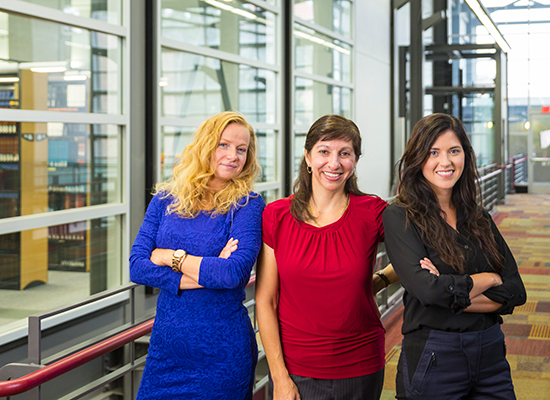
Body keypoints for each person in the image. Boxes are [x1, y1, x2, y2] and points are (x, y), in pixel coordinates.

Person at [383, 113, 526, 400]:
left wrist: (450, 292)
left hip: (491, 354)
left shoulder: (479, 218)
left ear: (465, 157)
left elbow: (515, 291)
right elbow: (428, 292)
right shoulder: (401, 216)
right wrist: (489, 278)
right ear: (417, 158)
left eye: (454, 151)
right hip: (435, 357)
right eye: (433, 152)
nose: (445, 162)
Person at [256, 114, 398, 400]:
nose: (334, 163)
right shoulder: (276, 216)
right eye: (324, 151)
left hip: (360, 365)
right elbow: (265, 300)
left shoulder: (372, 212)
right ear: (308, 157)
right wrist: (280, 377)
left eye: (344, 153)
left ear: (355, 161)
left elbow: (419, 253)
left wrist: (381, 279)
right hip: (295, 370)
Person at [129, 111, 265, 399]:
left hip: (222, 355)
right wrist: (208, 269)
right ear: (205, 146)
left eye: (242, 149)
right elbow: (137, 267)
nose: (233, 156)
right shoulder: (164, 199)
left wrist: (168, 257)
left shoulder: (248, 204)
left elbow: (233, 274)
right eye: (224, 145)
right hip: (166, 352)